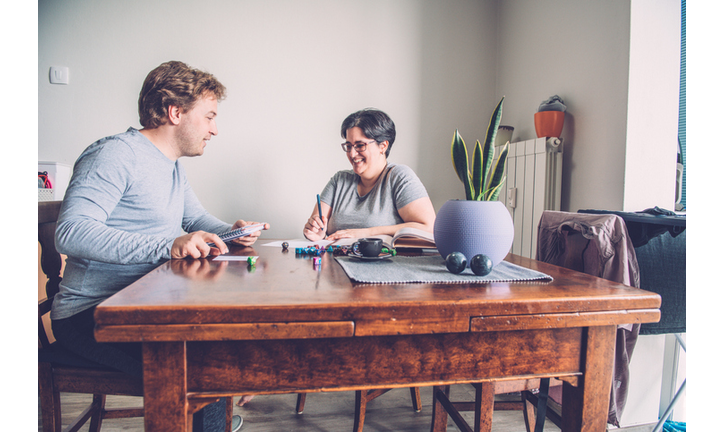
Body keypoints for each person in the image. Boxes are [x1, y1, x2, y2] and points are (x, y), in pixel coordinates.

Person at [51, 61, 268, 432]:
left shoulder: (170, 165)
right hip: (93, 314)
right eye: (209, 117)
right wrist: (168, 246)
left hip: (143, 304)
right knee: (206, 366)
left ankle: (211, 418)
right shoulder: (115, 154)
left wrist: (231, 231)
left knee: (222, 346)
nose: (215, 129)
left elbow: (196, 221)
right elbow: (71, 232)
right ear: (175, 112)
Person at [303, 108, 435, 241]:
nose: (352, 154)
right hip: (336, 260)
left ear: (383, 146)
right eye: (348, 146)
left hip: (383, 261)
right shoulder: (339, 180)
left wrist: (367, 233)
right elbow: (318, 225)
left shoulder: (399, 177)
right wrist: (317, 232)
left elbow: (428, 227)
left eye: (360, 145)